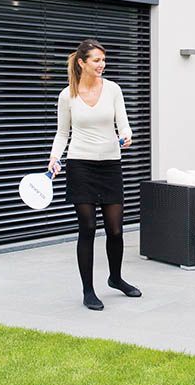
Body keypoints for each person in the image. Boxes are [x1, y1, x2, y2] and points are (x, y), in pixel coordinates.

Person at [49, 38, 141, 311]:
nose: (102, 64)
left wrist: (126, 135)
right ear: (82, 62)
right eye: (96, 60)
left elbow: (124, 124)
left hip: (110, 165)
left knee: (115, 229)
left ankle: (116, 278)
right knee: (87, 227)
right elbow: (62, 133)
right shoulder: (67, 95)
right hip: (81, 166)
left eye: (103, 60)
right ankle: (88, 291)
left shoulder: (113, 89)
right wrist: (54, 158)